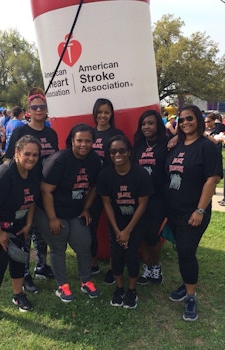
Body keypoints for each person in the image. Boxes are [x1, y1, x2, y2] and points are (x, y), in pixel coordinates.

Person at [165, 105, 223, 321]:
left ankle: (190, 296)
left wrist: (200, 210)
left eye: (189, 118)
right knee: (182, 250)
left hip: (194, 212)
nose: (185, 122)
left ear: (198, 119)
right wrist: (174, 140)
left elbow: (212, 179)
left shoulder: (206, 147)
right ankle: (186, 282)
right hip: (174, 210)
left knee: (187, 251)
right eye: (181, 120)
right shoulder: (178, 144)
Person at [0, 135, 41, 322]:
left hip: (17, 220)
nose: (31, 158)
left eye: (35, 155)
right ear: (17, 153)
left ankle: (18, 295)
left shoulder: (34, 172)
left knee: (19, 257)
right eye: (27, 154)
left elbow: (33, 200)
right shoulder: (4, 174)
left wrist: (28, 223)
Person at [35, 124, 102, 302]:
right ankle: (62, 286)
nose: (83, 144)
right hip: (50, 210)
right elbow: (45, 191)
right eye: (79, 140)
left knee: (84, 243)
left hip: (74, 210)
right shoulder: (60, 160)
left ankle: (86, 281)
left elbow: (94, 187)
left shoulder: (94, 160)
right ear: (72, 140)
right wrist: (52, 218)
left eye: (88, 141)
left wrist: (86, 208)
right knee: (58, 245)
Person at [5, 87, 59, 294]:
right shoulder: (20, 131)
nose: (38, 110)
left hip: (45, 188)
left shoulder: (51, 133)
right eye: (34, 107)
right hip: (24, 187)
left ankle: (41, 266)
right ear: (29, 109)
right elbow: (10, 159)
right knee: (24, 231)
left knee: (41, 230)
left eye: (42, 107)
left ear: (46, 109)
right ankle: (24, 272)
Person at [97, 135, 154, 308]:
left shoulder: (141, 174)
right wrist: (117, 230)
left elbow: (143, 204)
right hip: (116, 222)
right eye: (113, 151)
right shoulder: (105, 175)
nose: (117, 154)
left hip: (135, 222)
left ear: (129, 152)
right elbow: (106, 203)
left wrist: (128, 230)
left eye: (121, 150)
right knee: (117, 256)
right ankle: (119, 288)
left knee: (131, 255)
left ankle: (132, 290)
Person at [90, 98, 124, 282]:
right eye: (100, 112)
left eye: (107, 112)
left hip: (113, 187)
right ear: (95, 113)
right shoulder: (90, 133)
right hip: (92, 189)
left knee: (114, 228)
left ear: (111, 114)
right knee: (91, 227)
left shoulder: (116, 134)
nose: (103, 115)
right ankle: (92, 263)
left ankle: (114, 266)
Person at [133, 110, 168, 285]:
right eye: (144, 123)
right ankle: (148, 266)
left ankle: (156, 266)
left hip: (157, 198)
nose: (147, 126)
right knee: (139, 235)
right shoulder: (138, 145)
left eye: (151, 123)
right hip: (138, 198)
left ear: (158, 125)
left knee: (153, 237)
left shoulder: (168, 144)